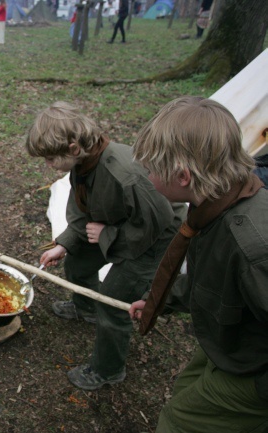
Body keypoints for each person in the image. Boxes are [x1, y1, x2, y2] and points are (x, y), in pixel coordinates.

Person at [128, 97, 268, 433]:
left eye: (150, 169)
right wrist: (162, 300)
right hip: (229, 341)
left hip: (255, 369)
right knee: (187, 389)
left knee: (178, 423)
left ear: (182, 176)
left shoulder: (253, 247)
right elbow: (211, 275)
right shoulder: (217, 202)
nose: (146, 176)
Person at [25, 102, 183, 390]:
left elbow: (160, 218)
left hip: (155, 237)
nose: (47, 165)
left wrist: (109, 234)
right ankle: (85, 307)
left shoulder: (124, 173)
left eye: (49, 158)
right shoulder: (84, 163)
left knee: (114, 299)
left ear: (73, 148)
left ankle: (109, 370)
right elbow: (83, 208)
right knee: (78, 262)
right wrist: (66, 243)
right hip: (117, 225)